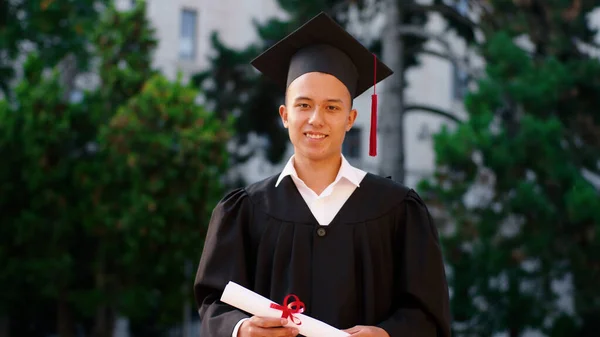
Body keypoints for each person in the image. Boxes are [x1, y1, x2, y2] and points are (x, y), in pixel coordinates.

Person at [193, 11, 451, 337]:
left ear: (350, 117)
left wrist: (388, 335)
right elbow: (213, 304)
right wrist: (241, 329)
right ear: (285, 115)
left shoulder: (397, 209)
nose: (316, 119)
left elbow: (428, 314)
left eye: (332, 107)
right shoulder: (245, 211)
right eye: (303, 105)